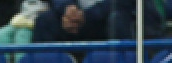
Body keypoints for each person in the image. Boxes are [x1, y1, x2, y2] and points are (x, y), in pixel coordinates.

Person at [30, 0, 163, 43]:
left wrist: (85, 16)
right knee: (45, 20)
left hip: (118, 20)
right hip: (80, 21)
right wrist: (67, 8)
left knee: (117, 19)